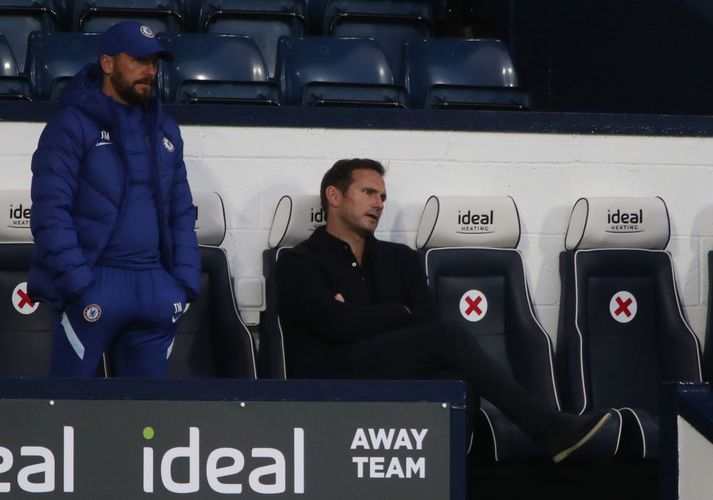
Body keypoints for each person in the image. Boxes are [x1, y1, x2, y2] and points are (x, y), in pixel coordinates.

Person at [276, 158, 613, 463]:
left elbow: (421, 321)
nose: (378, 203)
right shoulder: (298, 261)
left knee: (458, 378)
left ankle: (449, 480)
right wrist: (399, 312)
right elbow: (336, 325)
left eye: (382, 197)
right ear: (334, 196)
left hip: (392, 372)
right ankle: (548, 426)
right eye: (368, 192)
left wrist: (363, 315)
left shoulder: (401, 259)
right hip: (333, 378)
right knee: (448, 336)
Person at [28, 21, 200, 378]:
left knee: (149, 419)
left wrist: (182, 285)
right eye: (138, 60)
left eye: (153, 62)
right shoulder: (71, 125)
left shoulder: (165, 129)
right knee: (67, 408)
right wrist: (77, 282)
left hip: (155, 286)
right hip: (96, 282)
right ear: (107, 64)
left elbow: (181, 212)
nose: (149, 71)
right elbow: (49, 211)